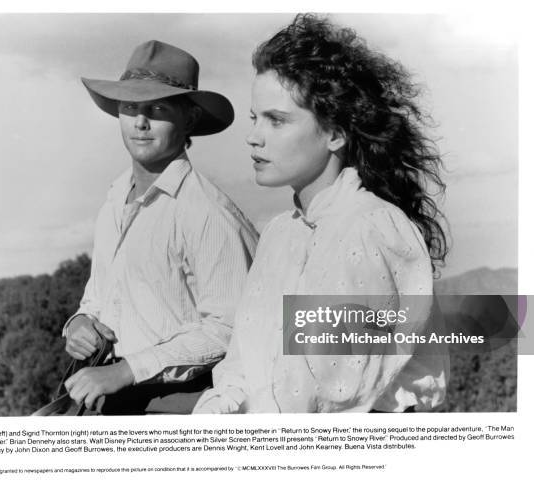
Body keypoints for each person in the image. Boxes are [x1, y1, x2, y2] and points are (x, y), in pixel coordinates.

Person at [194, 14, 449, 414]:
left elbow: (333, 390)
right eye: (254, 118)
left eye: (276, 120)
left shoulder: (370, 227)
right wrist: (219, 407)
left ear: (335, 133)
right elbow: (245, 361)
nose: (253, 136)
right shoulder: (280, 233)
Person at [62, 40, 258, 414]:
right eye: (131, 107)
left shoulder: (206, 212)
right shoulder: (115, 198)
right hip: (110, 395)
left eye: (158, 108)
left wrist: (128, 370)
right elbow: (100, 295)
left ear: (190, 119)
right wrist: (80, 325)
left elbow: (231, 327)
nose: (140, 122)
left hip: (179, 403)